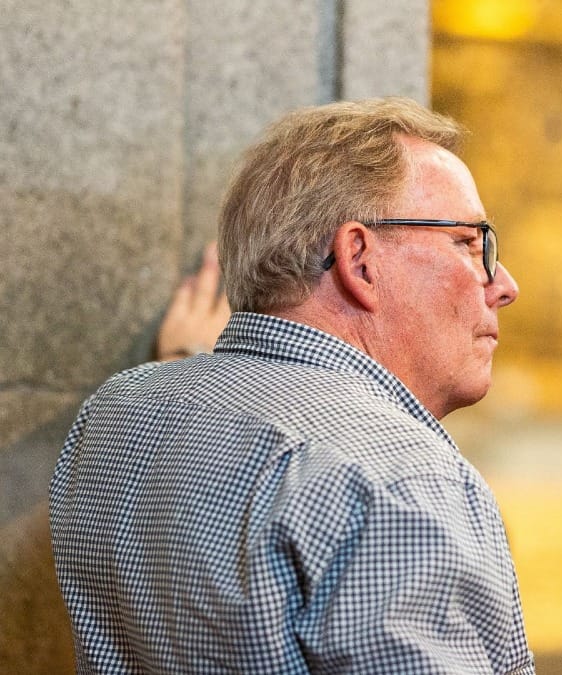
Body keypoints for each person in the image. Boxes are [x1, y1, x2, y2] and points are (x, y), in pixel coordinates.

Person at [49, 97, 533, 674]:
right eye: (469, 243)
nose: (504, 285)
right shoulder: (401, 481)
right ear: (359, 260)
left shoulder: (117, 411)